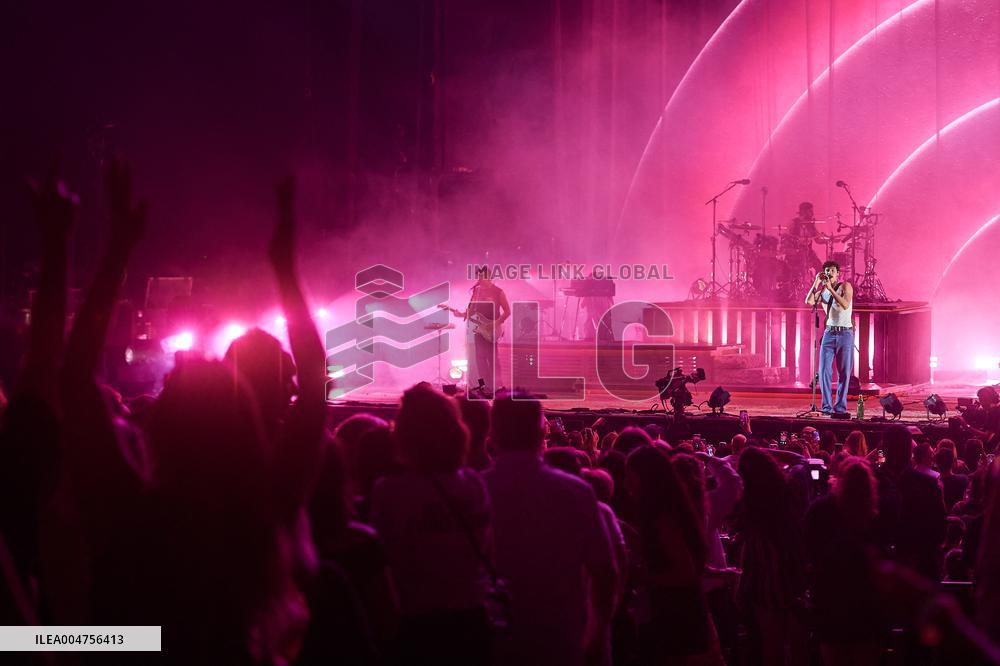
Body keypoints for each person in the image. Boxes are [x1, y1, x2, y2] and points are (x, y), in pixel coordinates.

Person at [482, 395, 617, 666]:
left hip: (495, 633)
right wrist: (596, 634)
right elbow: (605, 571)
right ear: (541, 432)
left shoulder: (475, 490)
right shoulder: (576, 491)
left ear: (493, 434)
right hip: (562, 633)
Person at [368, 384, 493, 666]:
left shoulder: (390, 491)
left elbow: (382, 563)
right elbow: (487, 550)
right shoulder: (474, 485)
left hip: (415, 618)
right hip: (471, 615)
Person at [805, 458, 888, 666]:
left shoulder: (820, 509)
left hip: (830, 599)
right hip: (868, 601)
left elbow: (808, 551)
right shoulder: (877, 514)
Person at [444, 266, 510, 398]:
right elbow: (471, 311)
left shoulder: (498, 292)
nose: (478, 279)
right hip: (478, 330)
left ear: (488, 277)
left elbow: (507, 311)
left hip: (492, 330)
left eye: (481, 277)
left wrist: (494, 323)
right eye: (478, 277)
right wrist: (457, 313)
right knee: (480, 359)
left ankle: (498, 386)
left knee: (492, 359)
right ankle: (484, 387)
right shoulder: (477, 291)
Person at [805, 260, 855, 415]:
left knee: (844, 372)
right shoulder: (823, 291)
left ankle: (840, 408)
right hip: (829, 333)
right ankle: (827, 407)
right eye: (826, 270)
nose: (829, 273)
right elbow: (809, 301)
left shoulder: (845, 286)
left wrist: (831, 291)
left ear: (838, 273)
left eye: (832, 270)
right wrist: (816, 282)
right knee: (824, 371)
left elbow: (845, 304)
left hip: (845, 333)